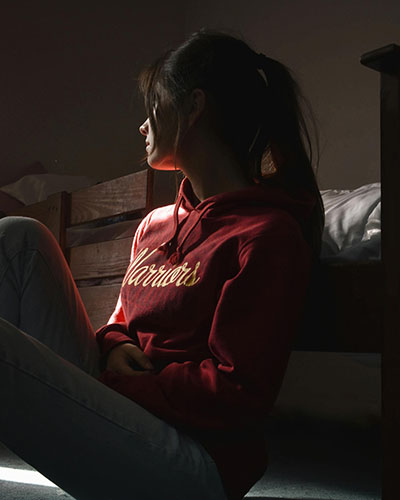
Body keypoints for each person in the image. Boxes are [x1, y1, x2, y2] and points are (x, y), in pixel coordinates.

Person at [0, 28, 324, 500]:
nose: (142, 125)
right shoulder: (154, 224)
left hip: (192, 461)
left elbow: (236, 393)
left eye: (153, 104)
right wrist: (111, 347)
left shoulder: (265, 235)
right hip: (123, 409)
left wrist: (114, 385)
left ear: (193, 107)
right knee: (18, 236)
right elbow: (119, 323)